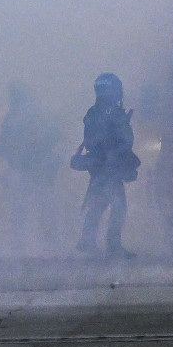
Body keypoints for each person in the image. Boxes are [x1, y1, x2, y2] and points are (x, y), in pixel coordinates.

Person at [73, 73, 139, 260]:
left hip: (99, 166)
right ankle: (112, 245)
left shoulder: (93, 112)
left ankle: (87, 241)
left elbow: (91, 140)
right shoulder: (112, 113)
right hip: (109, 167)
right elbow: (125, 141)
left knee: (97, 205)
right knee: (119, 207)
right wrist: (118, 158)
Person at [0, 83, 62, 255]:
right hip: (30, 170)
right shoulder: (33, 114)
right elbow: (3, 146)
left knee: (29, 210)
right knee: (35, 209)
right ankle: (46, 246)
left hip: (33, 170)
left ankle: (35, 246)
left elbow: (2, 147)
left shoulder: (16, 117)